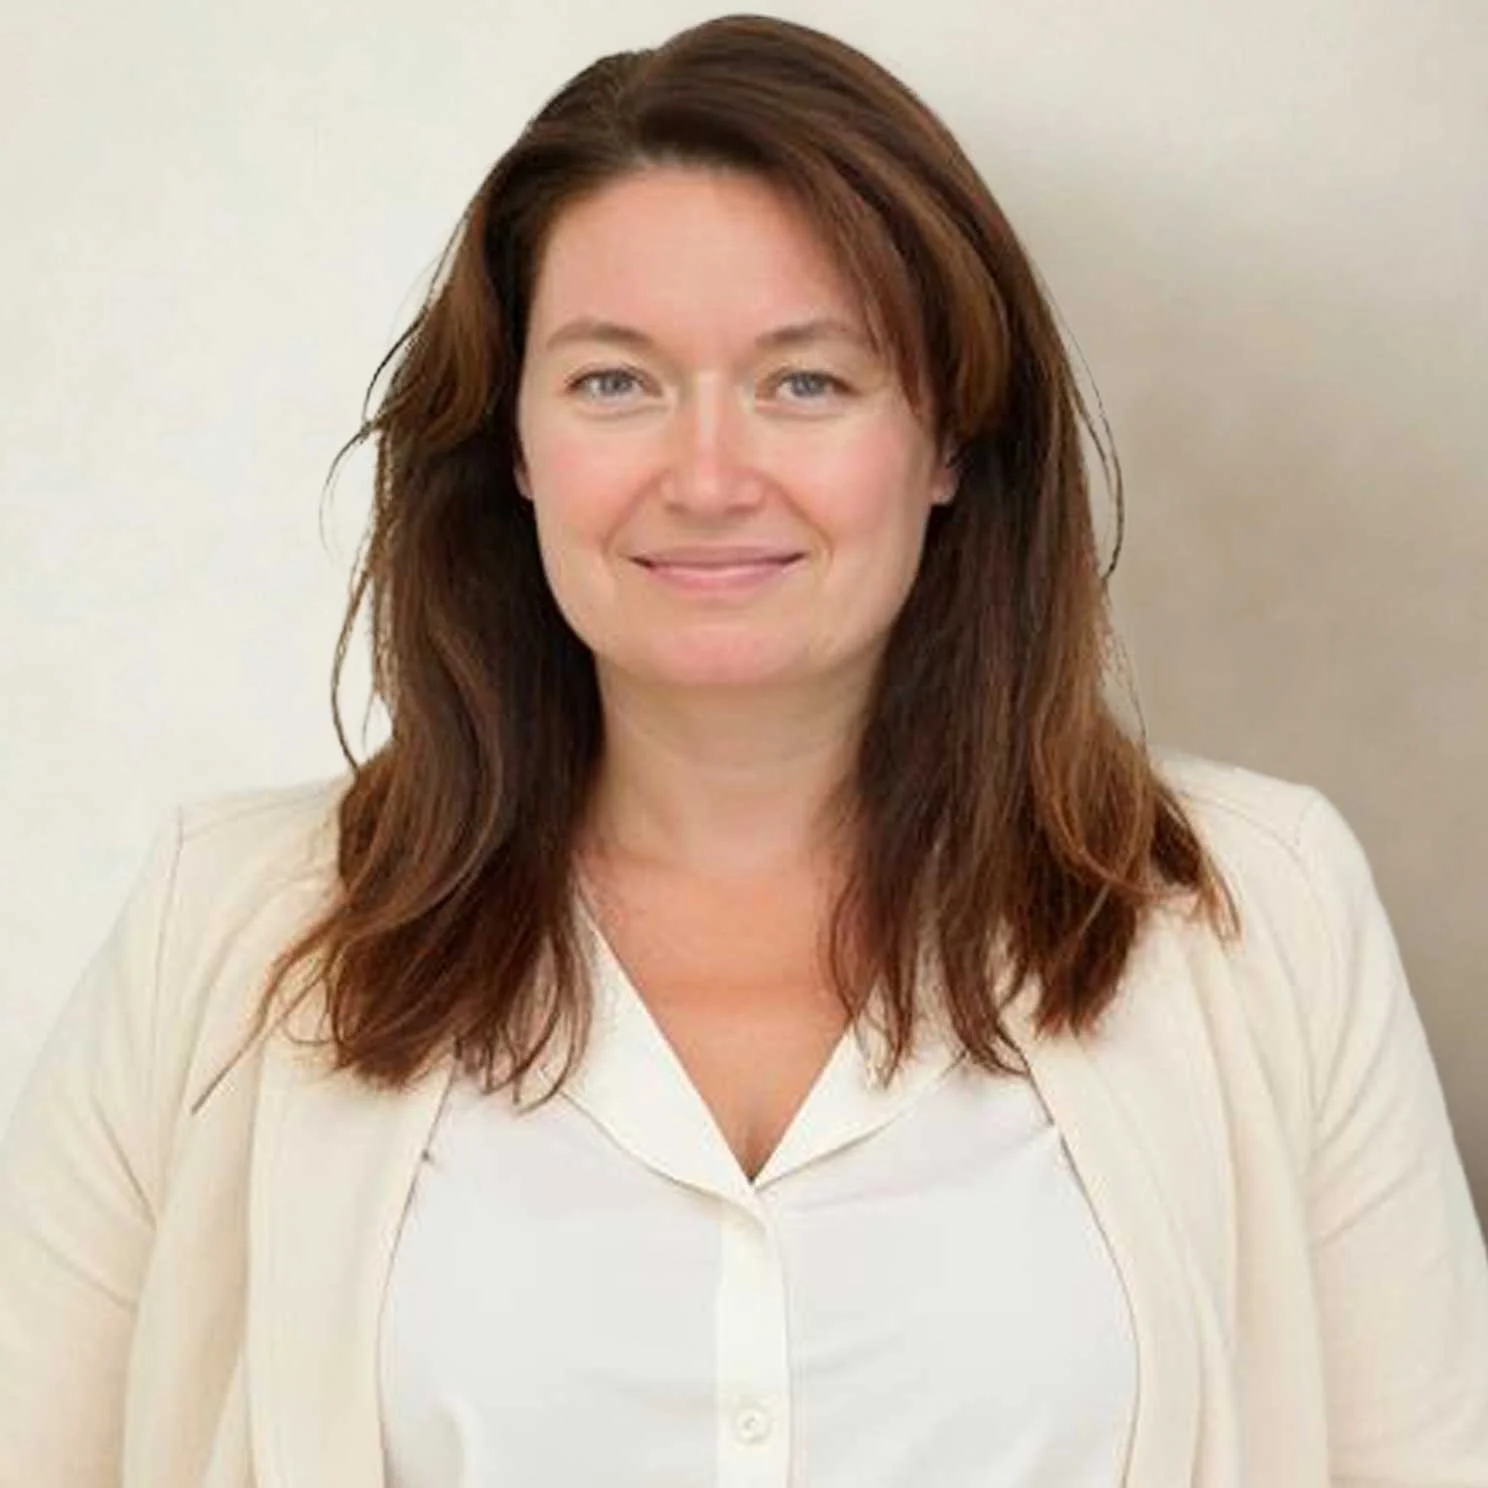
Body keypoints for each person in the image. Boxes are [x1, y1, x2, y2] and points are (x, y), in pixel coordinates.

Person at [2, 13, 1485, 1486]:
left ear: (952, 435)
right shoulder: (235, 926)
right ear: (513, 444)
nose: (708, 478)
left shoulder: (1259, 918)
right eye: (614, 382)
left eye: (806, 382)